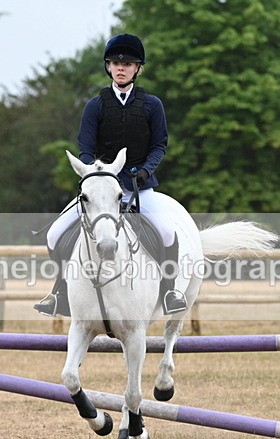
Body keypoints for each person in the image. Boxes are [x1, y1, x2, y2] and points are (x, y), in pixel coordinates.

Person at [34, 33, 187, 317]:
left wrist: (145, 171)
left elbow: (159, 146)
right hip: (101, 190)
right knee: (55, 233)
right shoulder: (96, 105)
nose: (121, 67)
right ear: (108, 67)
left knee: (167, 232)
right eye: (115, 62)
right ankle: (60, 291)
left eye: (127, 63)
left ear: (137, 68)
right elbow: (85, 147)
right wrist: (94, 175)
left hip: (137, 188)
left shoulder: (152, 105)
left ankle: (169, 291)